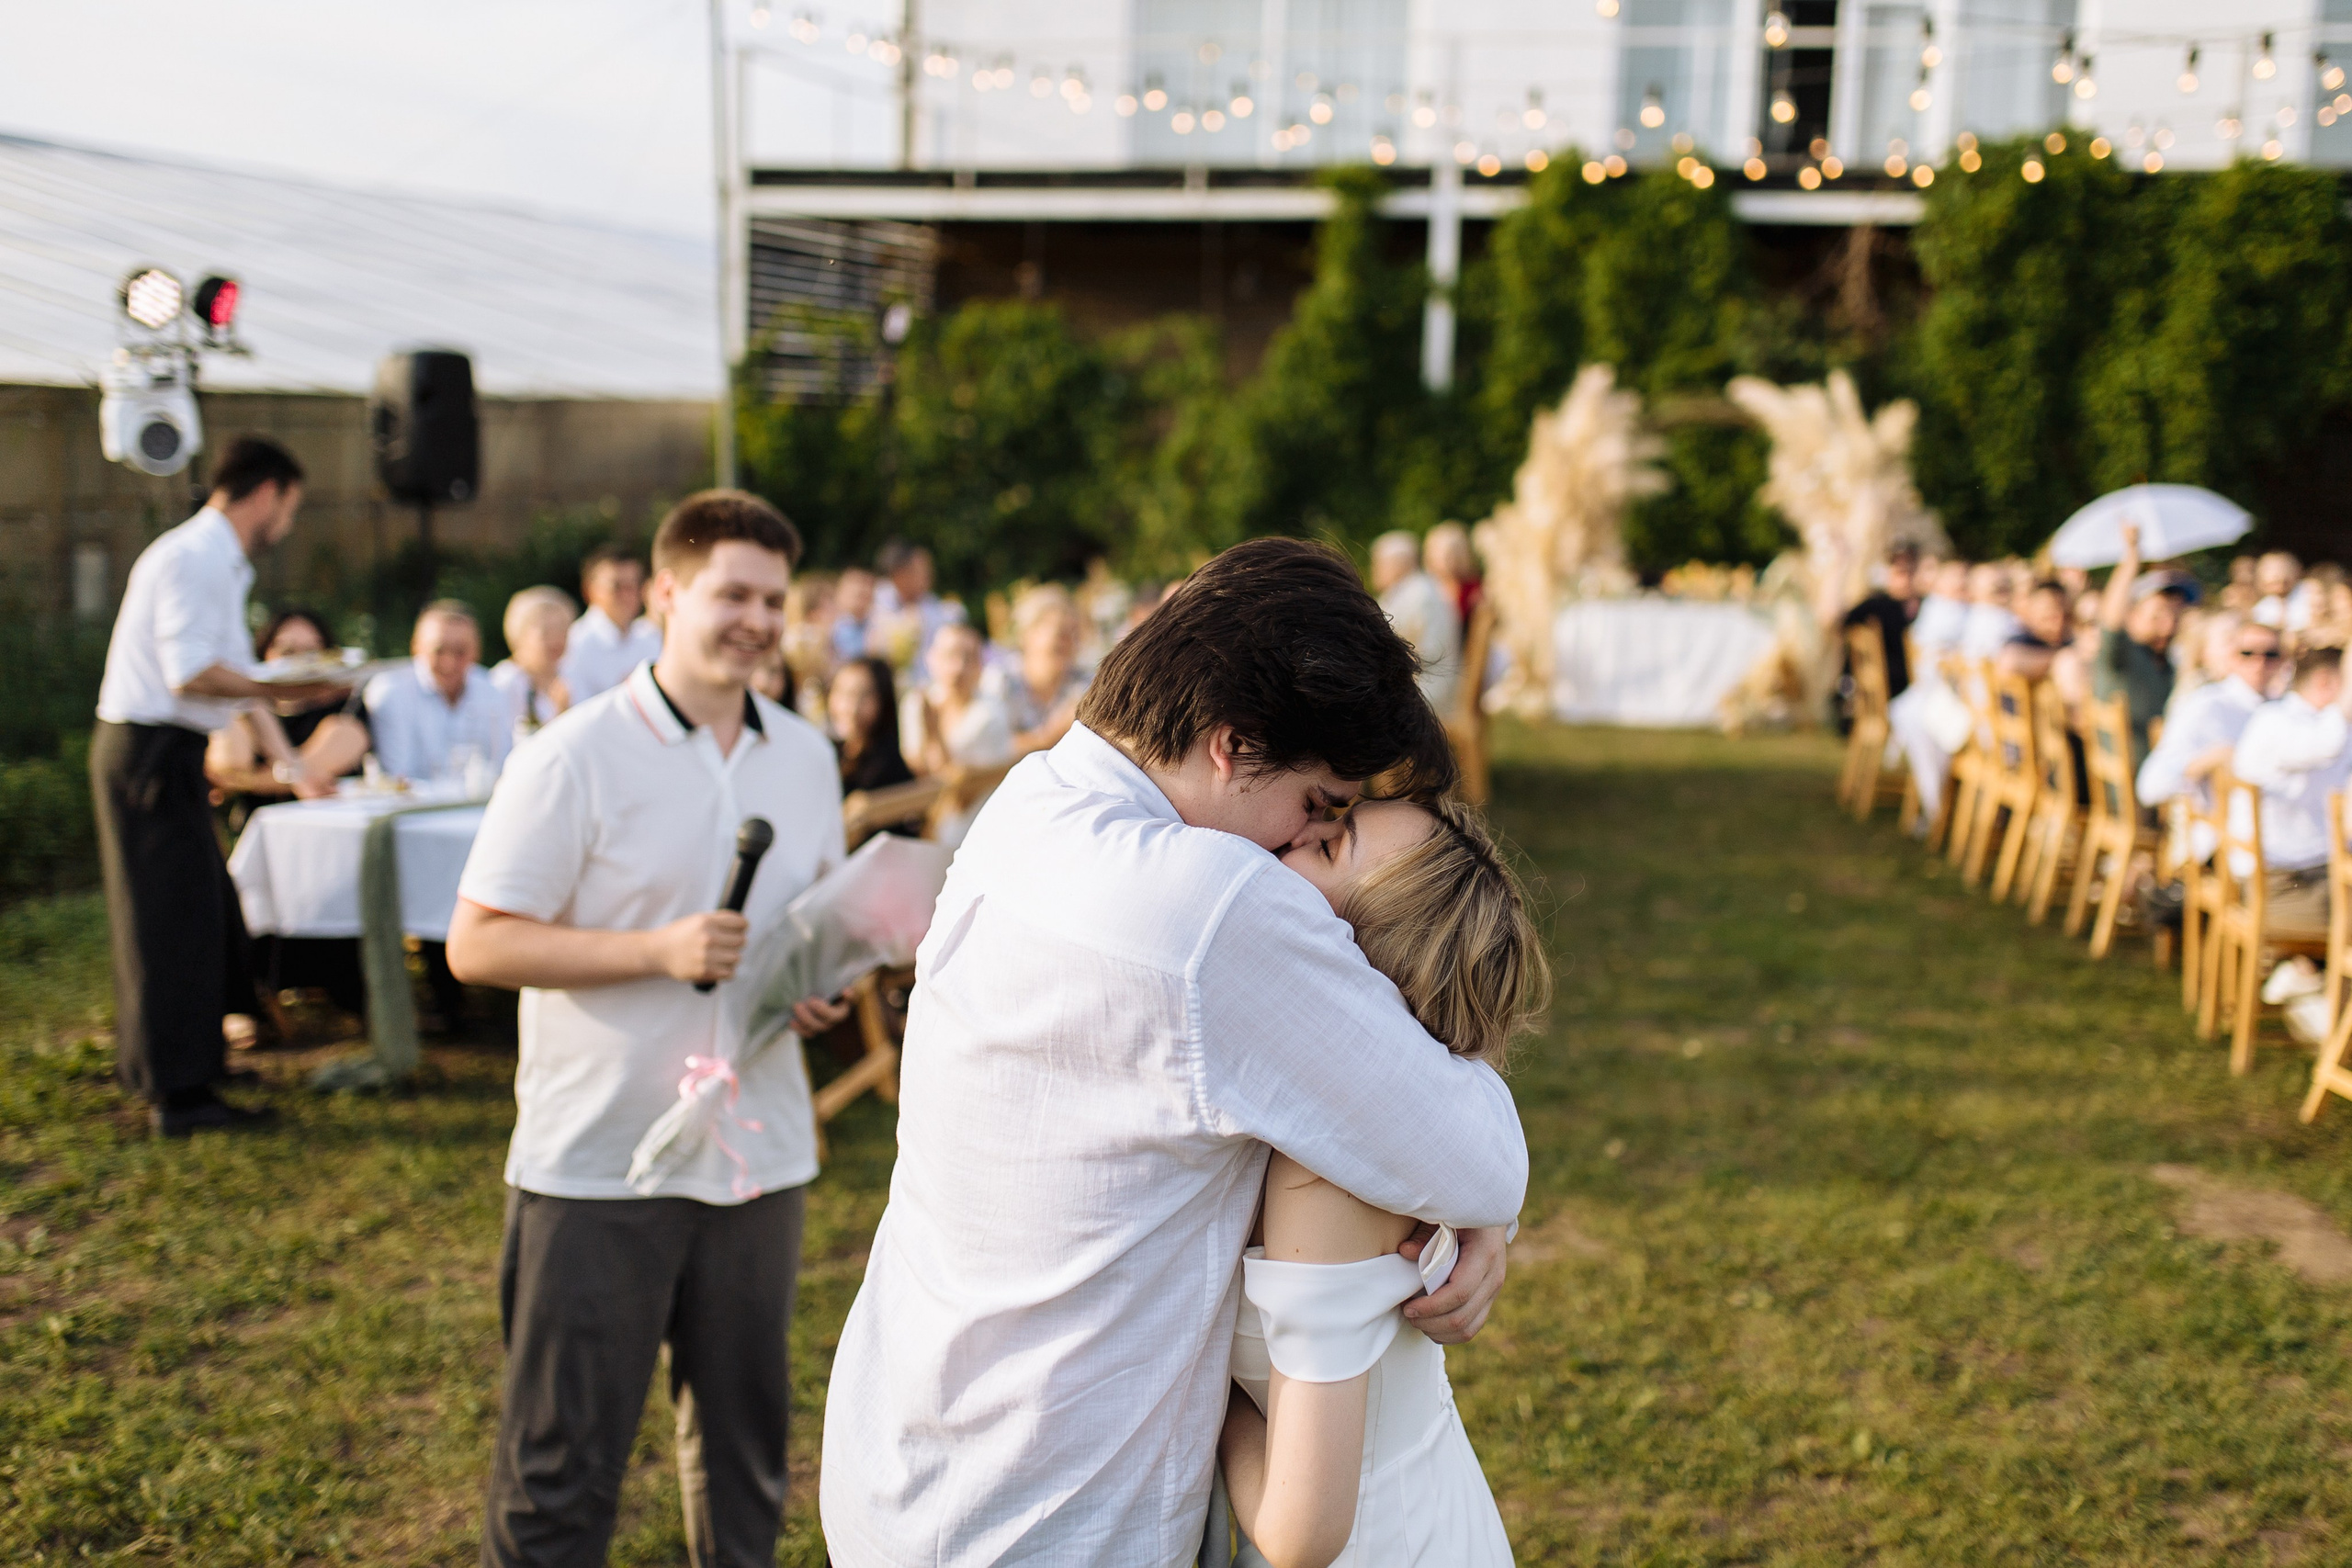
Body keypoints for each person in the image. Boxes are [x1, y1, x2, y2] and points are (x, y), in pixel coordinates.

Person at [820, 537, 1524, 1568]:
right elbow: (1481, 1152)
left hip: (910, 1452)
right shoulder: (1201, 909)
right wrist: (1471, 1203)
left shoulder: (1031, 802)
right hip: (1051, 1515)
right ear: (1234, 748)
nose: (1298, 841)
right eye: (1320, 807)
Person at [447, 490, 854, 1568]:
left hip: (759, 1150)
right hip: (599, 1160)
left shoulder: (807, 757)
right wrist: (654, 951)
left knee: (745, 1462)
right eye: (732, 593)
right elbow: (476, 945)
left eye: (772, 599)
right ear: (666, 594)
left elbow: (801, 927)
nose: (757, 620)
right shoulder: (573, 754)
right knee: (560, 1471)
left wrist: (814, 986)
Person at [1216, 793, 1543, 1568]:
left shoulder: (1322, 1182)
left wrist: (1205, 1400)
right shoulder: (1392, 1127)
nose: (1300, 831)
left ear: (1355, 965)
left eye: (1330, 848)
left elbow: (1303, 1532)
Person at [91, 434, 345, 1135]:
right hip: (147, 750)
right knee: (165, 921)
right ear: (267, 493)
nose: (287, 525)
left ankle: (197, 1062)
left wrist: (288, 757)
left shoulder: (220, 563)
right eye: (289, 507)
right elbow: (193, 672)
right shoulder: (194, 557)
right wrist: (283, 684)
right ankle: (178, 1095)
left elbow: (241, 685)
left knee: (206, 911)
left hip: (170, 749)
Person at [2228, 646, 2352, 945]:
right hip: (2277, 887)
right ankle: (2311, 977)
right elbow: (2326, 746)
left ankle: (2306, 974)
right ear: (2326, 682)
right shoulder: (2278, 722)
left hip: (2310, 875)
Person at [2139, 617, 2279, 869]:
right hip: (2226, 848)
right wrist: (2205, 762)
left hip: (2281, 838)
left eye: (2271, 654)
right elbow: (2150, 786)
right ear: (2232, 656)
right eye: (2248, 653)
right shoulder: (2207, 705)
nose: (2260, 663)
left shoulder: (2286, 709)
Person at [204, 608, 371, 807]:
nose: (300, 662)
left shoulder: (347, 710)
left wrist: (245, 781)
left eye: (312, 652)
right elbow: (224, 766)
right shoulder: (247, 709)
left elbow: (316, 775)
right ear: (265, 653)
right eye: (287, 652)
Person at [364, 602, 514, 784]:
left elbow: (503, 766)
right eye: (438, 650)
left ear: (477, 651)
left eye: (460, 652)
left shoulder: (492, 692)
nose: (449, 662)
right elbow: (398, 777)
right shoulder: (390, 692)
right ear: (416, 647)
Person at [2094, 524, 2192, 767]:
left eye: (2176, 617)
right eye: (2157, 617)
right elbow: (2110, 622)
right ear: (2133, 616)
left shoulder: (2170, 659)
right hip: (2137, 783)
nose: (2168, 627)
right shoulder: (2122, 654)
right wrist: (2131, 558)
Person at [984, 582, 1090, 755]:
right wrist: (1048, 737)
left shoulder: (1085, 684)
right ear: (1027, 634)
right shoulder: (1001, 680)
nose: (1069, 643)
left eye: (1074, 633)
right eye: (1060, 634)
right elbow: (989, 748)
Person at [1370, 530, 1462, 716]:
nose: (1374, 570)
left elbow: (1425, 652)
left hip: (1426, 691)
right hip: (1421, 684)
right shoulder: (1410, 590)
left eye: (1378, 563)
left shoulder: (1418, 594)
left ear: (1398, 564)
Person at [558, 542, 663, 702]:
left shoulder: (650, 638)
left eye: (634, 585)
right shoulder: (575, 644)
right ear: (589, 590)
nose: (628, 594)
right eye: (617, 586)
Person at [488, 587, 574, 734]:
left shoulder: (570, 674)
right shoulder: (504, 682)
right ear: (520, 634)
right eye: (546, 632)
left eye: (562, 630)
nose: (556, 639)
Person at [867, 540, 965, 671]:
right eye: (921, 570)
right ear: (901, 574)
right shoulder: (874, 600)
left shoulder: (935, 605)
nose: (928, 576)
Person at [1843, 547, 1922, 697]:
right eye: (1900, 572)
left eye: (1910, 571)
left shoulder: (1927, 604)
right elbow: (1839, 620)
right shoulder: (1876, 605)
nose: (1905, 579)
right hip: (1890, 690)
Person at [1996, 579, 2072, 680]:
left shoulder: (2071, 641)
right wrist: (2061, 657)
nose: (2058, 614)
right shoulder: (2024, 640)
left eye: (2062, 608)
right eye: (2048, 609)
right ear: (2032, 611)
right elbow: (2009, 662)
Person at [1423, 521, 1483, 629]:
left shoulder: (1474, 591)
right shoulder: (1425, 589)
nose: (1447, 559)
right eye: (1440, 552)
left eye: (1453, 552)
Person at [2252, 551, 2308, 634]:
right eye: (2270, 569)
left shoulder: (2310, 593)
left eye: (2283, 568)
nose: (2277, 575)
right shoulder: (2261, 609)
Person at [831, 567, 877, 662]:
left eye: (866, 596)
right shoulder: (835, 628)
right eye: (859, 595)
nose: (862, 601)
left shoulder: (875, 624)